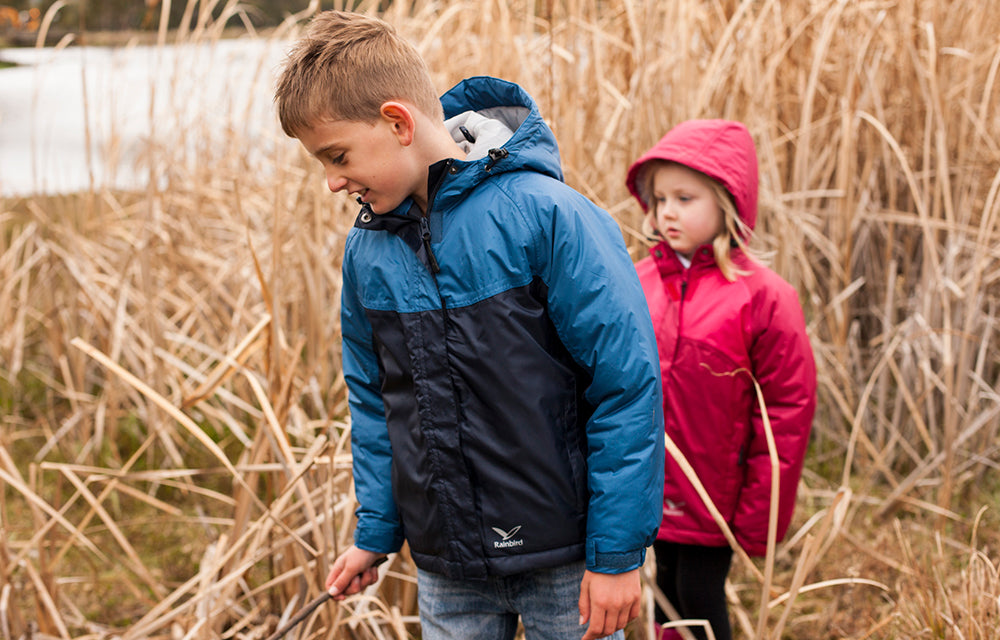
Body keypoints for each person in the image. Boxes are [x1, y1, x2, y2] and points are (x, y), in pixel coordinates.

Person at [273, 10, 664, 640]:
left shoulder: (546, 216)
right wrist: (377, 530)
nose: (331, 182)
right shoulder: (367, 253)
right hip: (448, 565)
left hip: (566, 560)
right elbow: (375, 399)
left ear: (399, 123)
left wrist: (616, 554)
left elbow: (624, 386)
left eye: (337, 156)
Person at [625, 119, 817, 640]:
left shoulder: (763, 297)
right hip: (652, 488)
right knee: (665, 590)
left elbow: (785, 413)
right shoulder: (638, 282)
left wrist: (759, 516)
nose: (667, 211)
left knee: (699, 595)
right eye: (660, 198)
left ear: (727, 203)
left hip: (716, 500)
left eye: (685, 198)